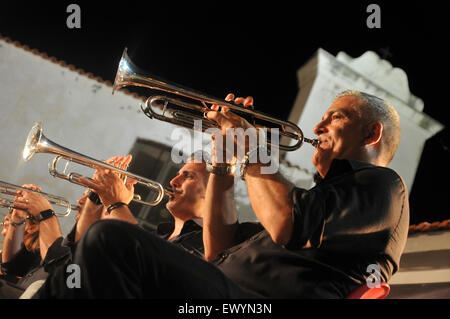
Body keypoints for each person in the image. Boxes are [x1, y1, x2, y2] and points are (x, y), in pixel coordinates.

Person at [34, 89, 409, 299]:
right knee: (87, 265)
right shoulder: (325, 196)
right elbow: (217, 246)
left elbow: (285, 225)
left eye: (336, 116)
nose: (317, 125)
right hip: (221, 293)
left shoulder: (384, 185)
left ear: (371, 135)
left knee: (111, 240)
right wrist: (222, 162)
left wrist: (249, 144)